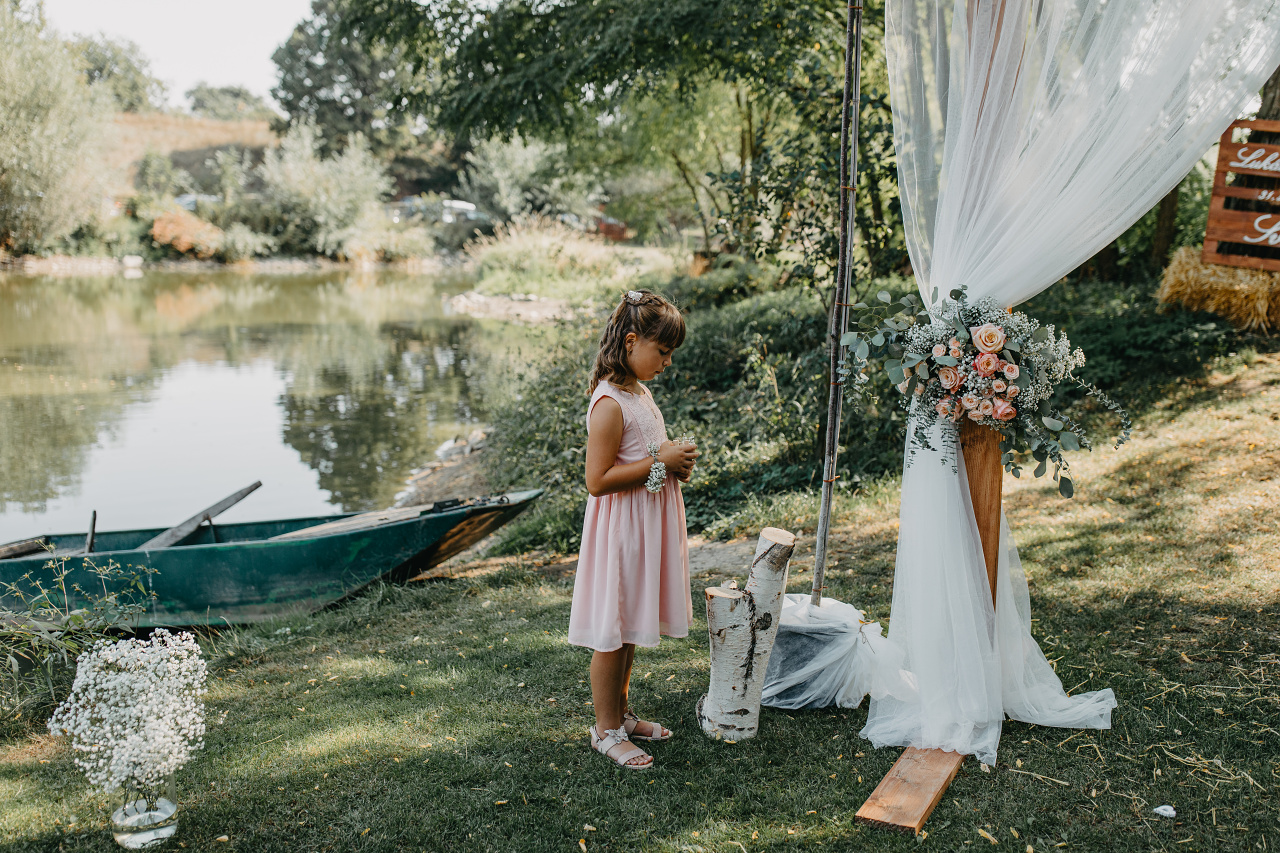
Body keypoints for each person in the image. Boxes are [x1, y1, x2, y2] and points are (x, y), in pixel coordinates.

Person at [568, 289, 698, 770]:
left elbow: (648, 457)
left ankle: (621, 715)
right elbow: (597, 480)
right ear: (629, 341)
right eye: (662, 352)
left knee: (628, 629)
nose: (666, 362)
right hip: (620, 531)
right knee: (612, 630)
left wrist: (672, 465)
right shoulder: (608, 405)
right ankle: (605, 730)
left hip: (644, 525)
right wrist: (657, 461)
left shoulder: (639, 393)